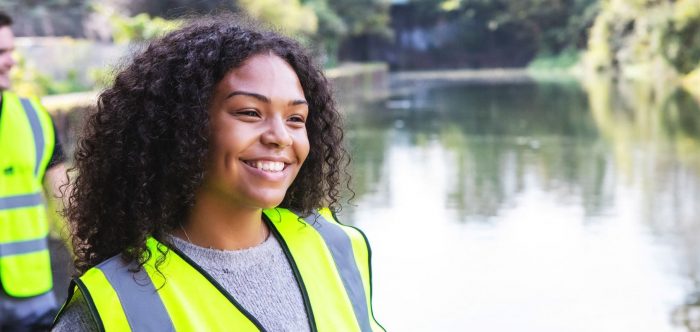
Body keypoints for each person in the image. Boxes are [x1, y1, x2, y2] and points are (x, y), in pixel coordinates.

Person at [52, 16, 385, 331]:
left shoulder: (336, 247)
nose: (281, 136)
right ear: (184, 126)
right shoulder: (116, 302)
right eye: (250, 112)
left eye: (296, 118)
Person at [0, 10, 68, 332]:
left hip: (32, 304)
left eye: (10, 50)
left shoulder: (34, 119)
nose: (11, 61)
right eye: (0, 52)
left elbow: (69, 208)